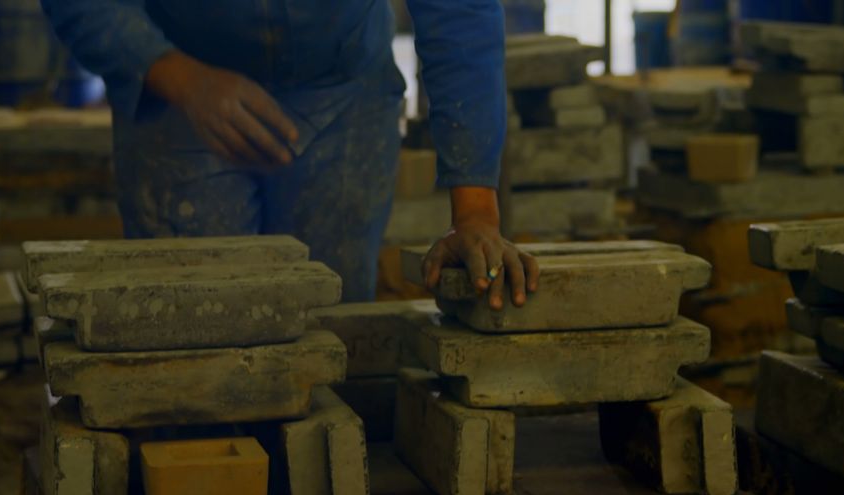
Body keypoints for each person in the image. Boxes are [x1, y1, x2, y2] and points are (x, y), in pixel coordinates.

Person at [40, 0, 538, 307]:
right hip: (179, 89)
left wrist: (474, 213)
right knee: (191, 334)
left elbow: (459, 11)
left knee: (329, 338)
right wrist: (179, 78)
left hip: (343, 94)